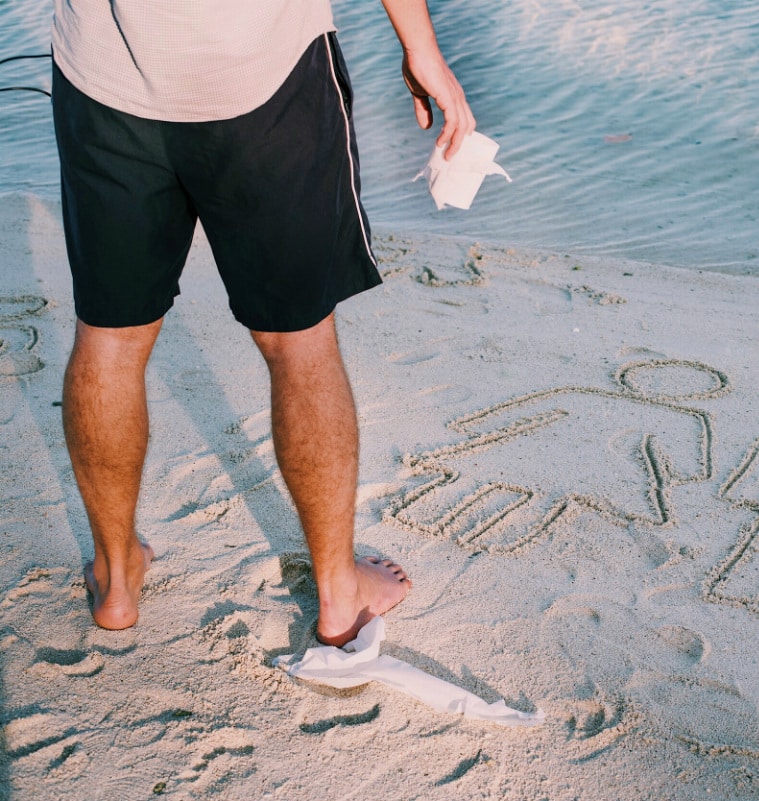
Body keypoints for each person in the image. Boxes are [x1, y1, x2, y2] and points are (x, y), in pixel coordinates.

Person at [50, 0, 475, 646]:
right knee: (298, 342)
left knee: (111, 335)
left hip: (109, 77)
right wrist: (420, 45)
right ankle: (337, 592)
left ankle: (115, 579)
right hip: (263, 76)